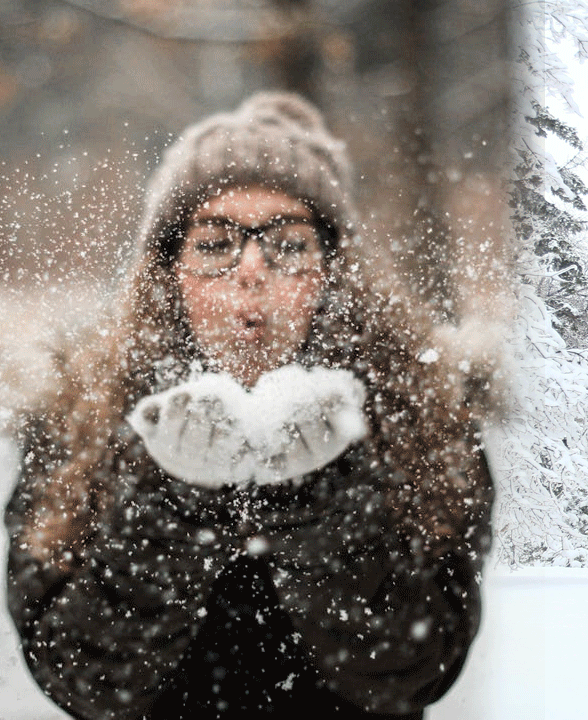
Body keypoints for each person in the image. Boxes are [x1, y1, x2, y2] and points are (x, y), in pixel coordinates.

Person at [5, 92, 497, 719]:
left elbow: (414, 669)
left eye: (288, 244)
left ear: (333, 270)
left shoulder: (424, 414)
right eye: (215, 244)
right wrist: (175, 507)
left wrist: (318, 498)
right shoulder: (78, 416)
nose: (251, 269)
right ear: (167, 269)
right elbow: (81, 679)